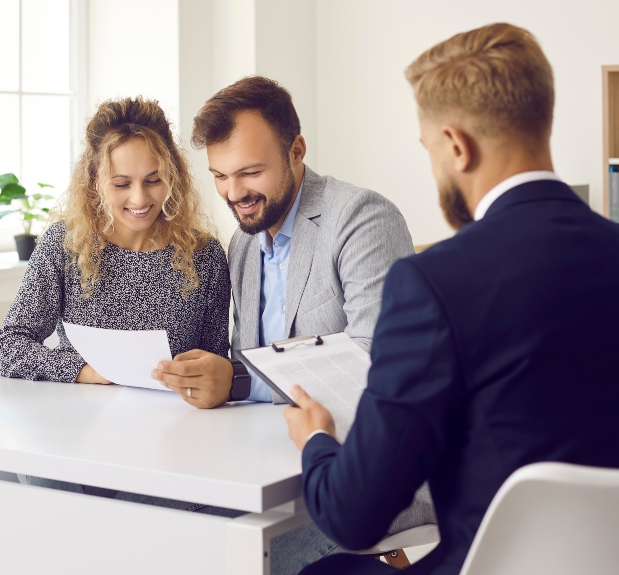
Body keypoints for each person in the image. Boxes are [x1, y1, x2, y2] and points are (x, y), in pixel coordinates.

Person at [284, 23, 619, 575]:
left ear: (456, 145)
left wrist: (316, 438)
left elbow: (354, 516)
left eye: (430, 149)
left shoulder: (432, 284)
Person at [151, 76, 429, 575]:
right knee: (158, 520)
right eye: (219, 175)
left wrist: (237, 380)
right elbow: (254, 359)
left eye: (250, 172)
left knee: (212, 551)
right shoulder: (243, 245)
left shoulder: (362, 218)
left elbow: (371, 365)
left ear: (296, 151)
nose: (233, 194)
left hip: (360, 478)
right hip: (270, 464)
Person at [0, 95, 229, 392]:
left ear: (173, 176)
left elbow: (215, 363)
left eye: (154, 180)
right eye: (121, 184)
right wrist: (86, 371)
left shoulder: (204, 256)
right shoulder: (65, 245)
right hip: (85, 424)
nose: (140, 199)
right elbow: (8, 347)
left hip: (175, 425)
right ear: (95, 180)